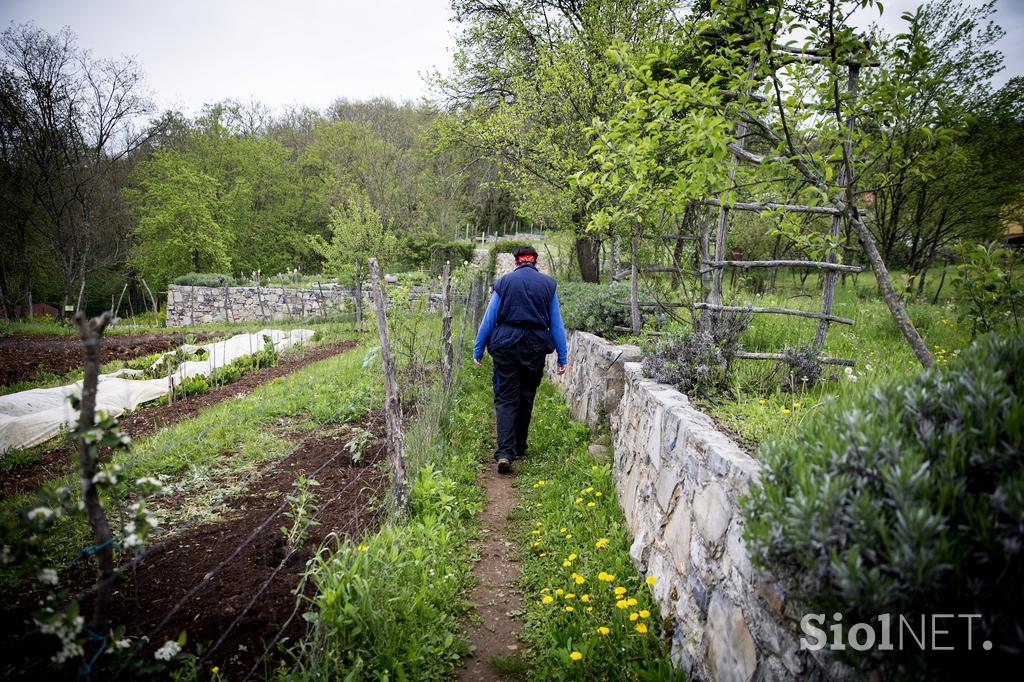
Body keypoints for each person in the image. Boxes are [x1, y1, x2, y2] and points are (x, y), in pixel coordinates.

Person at [473, 246, 568, 473]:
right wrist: (562, 356)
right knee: (526, 395)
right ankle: (520, 444)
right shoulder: (548, 285)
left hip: (506, 345)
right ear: (535, 263)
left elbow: (489, 319)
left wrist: (478, 349)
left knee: (506, 397)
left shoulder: (504, 283)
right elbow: (556, 324)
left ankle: (505, 452)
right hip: (534, 347)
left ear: (516, 262)